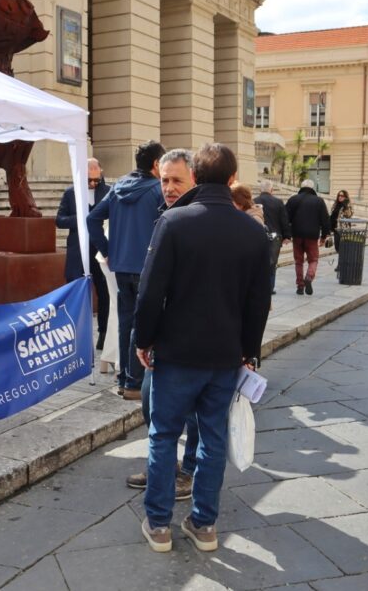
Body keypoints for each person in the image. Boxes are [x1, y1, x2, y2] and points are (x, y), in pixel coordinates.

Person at [134, 143, 270, 553]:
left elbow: (149, 291)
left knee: (163, 437)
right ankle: (204, 523)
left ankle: (159, 526)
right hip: (225, 355)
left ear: (196, 174)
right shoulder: (252, 231)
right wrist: (248, 351)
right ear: (232, 179)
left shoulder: (174, 222)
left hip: (176, 353)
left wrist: (144, 340)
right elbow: (258, 301)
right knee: (212, 440)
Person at [127, 148, 199, 501]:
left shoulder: (201, 220)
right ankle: (164, 465)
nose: (169, 187)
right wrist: (146, 335)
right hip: (163, 336)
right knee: (148, 400)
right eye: (164, 180)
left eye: (176, 181)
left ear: (194, 180)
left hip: (196, 337)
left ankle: (188, 471)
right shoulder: (163, 215)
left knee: (197, 412)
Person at [87, 140, 165, 400]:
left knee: (126, 323)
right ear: (156, 164)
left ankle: (124, 380)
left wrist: (109, 250)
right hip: (148, 267)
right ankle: (133, 382)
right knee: (143, 325)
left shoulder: (118, 186)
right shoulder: (157, 190)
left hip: (121, 266)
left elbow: (92, 218)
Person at [56, 158, 110, 350]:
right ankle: (75, 334)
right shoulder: (71, 193)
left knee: (105, 292)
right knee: (75, 291)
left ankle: (104, 333)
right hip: (78, 249)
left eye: (97, 180)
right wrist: (80, 220)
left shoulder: (108, 191)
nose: (94, 183)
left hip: (100, 248)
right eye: (90, 180)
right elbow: (59, 220)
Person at [286, 178, 330, 295]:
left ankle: (300, 286)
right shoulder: (319, 201)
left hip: (297, 235)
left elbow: (285, 218)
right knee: (313, 259)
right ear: (312, 188)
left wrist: (286, 235)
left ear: (301, 187)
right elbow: (325, 220)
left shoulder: (293, 199)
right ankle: (309, 277)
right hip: (312, 235)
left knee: (298, 261)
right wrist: (324, 236)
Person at [256, 181, 290, 293]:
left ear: (260, 190)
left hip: (258, 234)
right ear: (272, 190)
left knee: (258, 262)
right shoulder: (278, 202)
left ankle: (259, 286)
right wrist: (287, 236)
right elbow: (284, 220)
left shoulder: (254, 201)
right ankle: (270, 288)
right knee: (272, 263)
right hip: (276, 236)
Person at [329, 189, 354, 253]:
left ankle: (342, 262)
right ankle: (341, 262)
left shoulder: (348, 205)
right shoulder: (335, 204)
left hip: (344, 229)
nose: (340, 197)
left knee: (343, 248)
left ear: (345, 197)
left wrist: (345, 206)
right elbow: (332, 215)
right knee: (337, 247)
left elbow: (349, 214)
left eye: (342, 196)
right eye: (339, 195)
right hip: (336, 229)